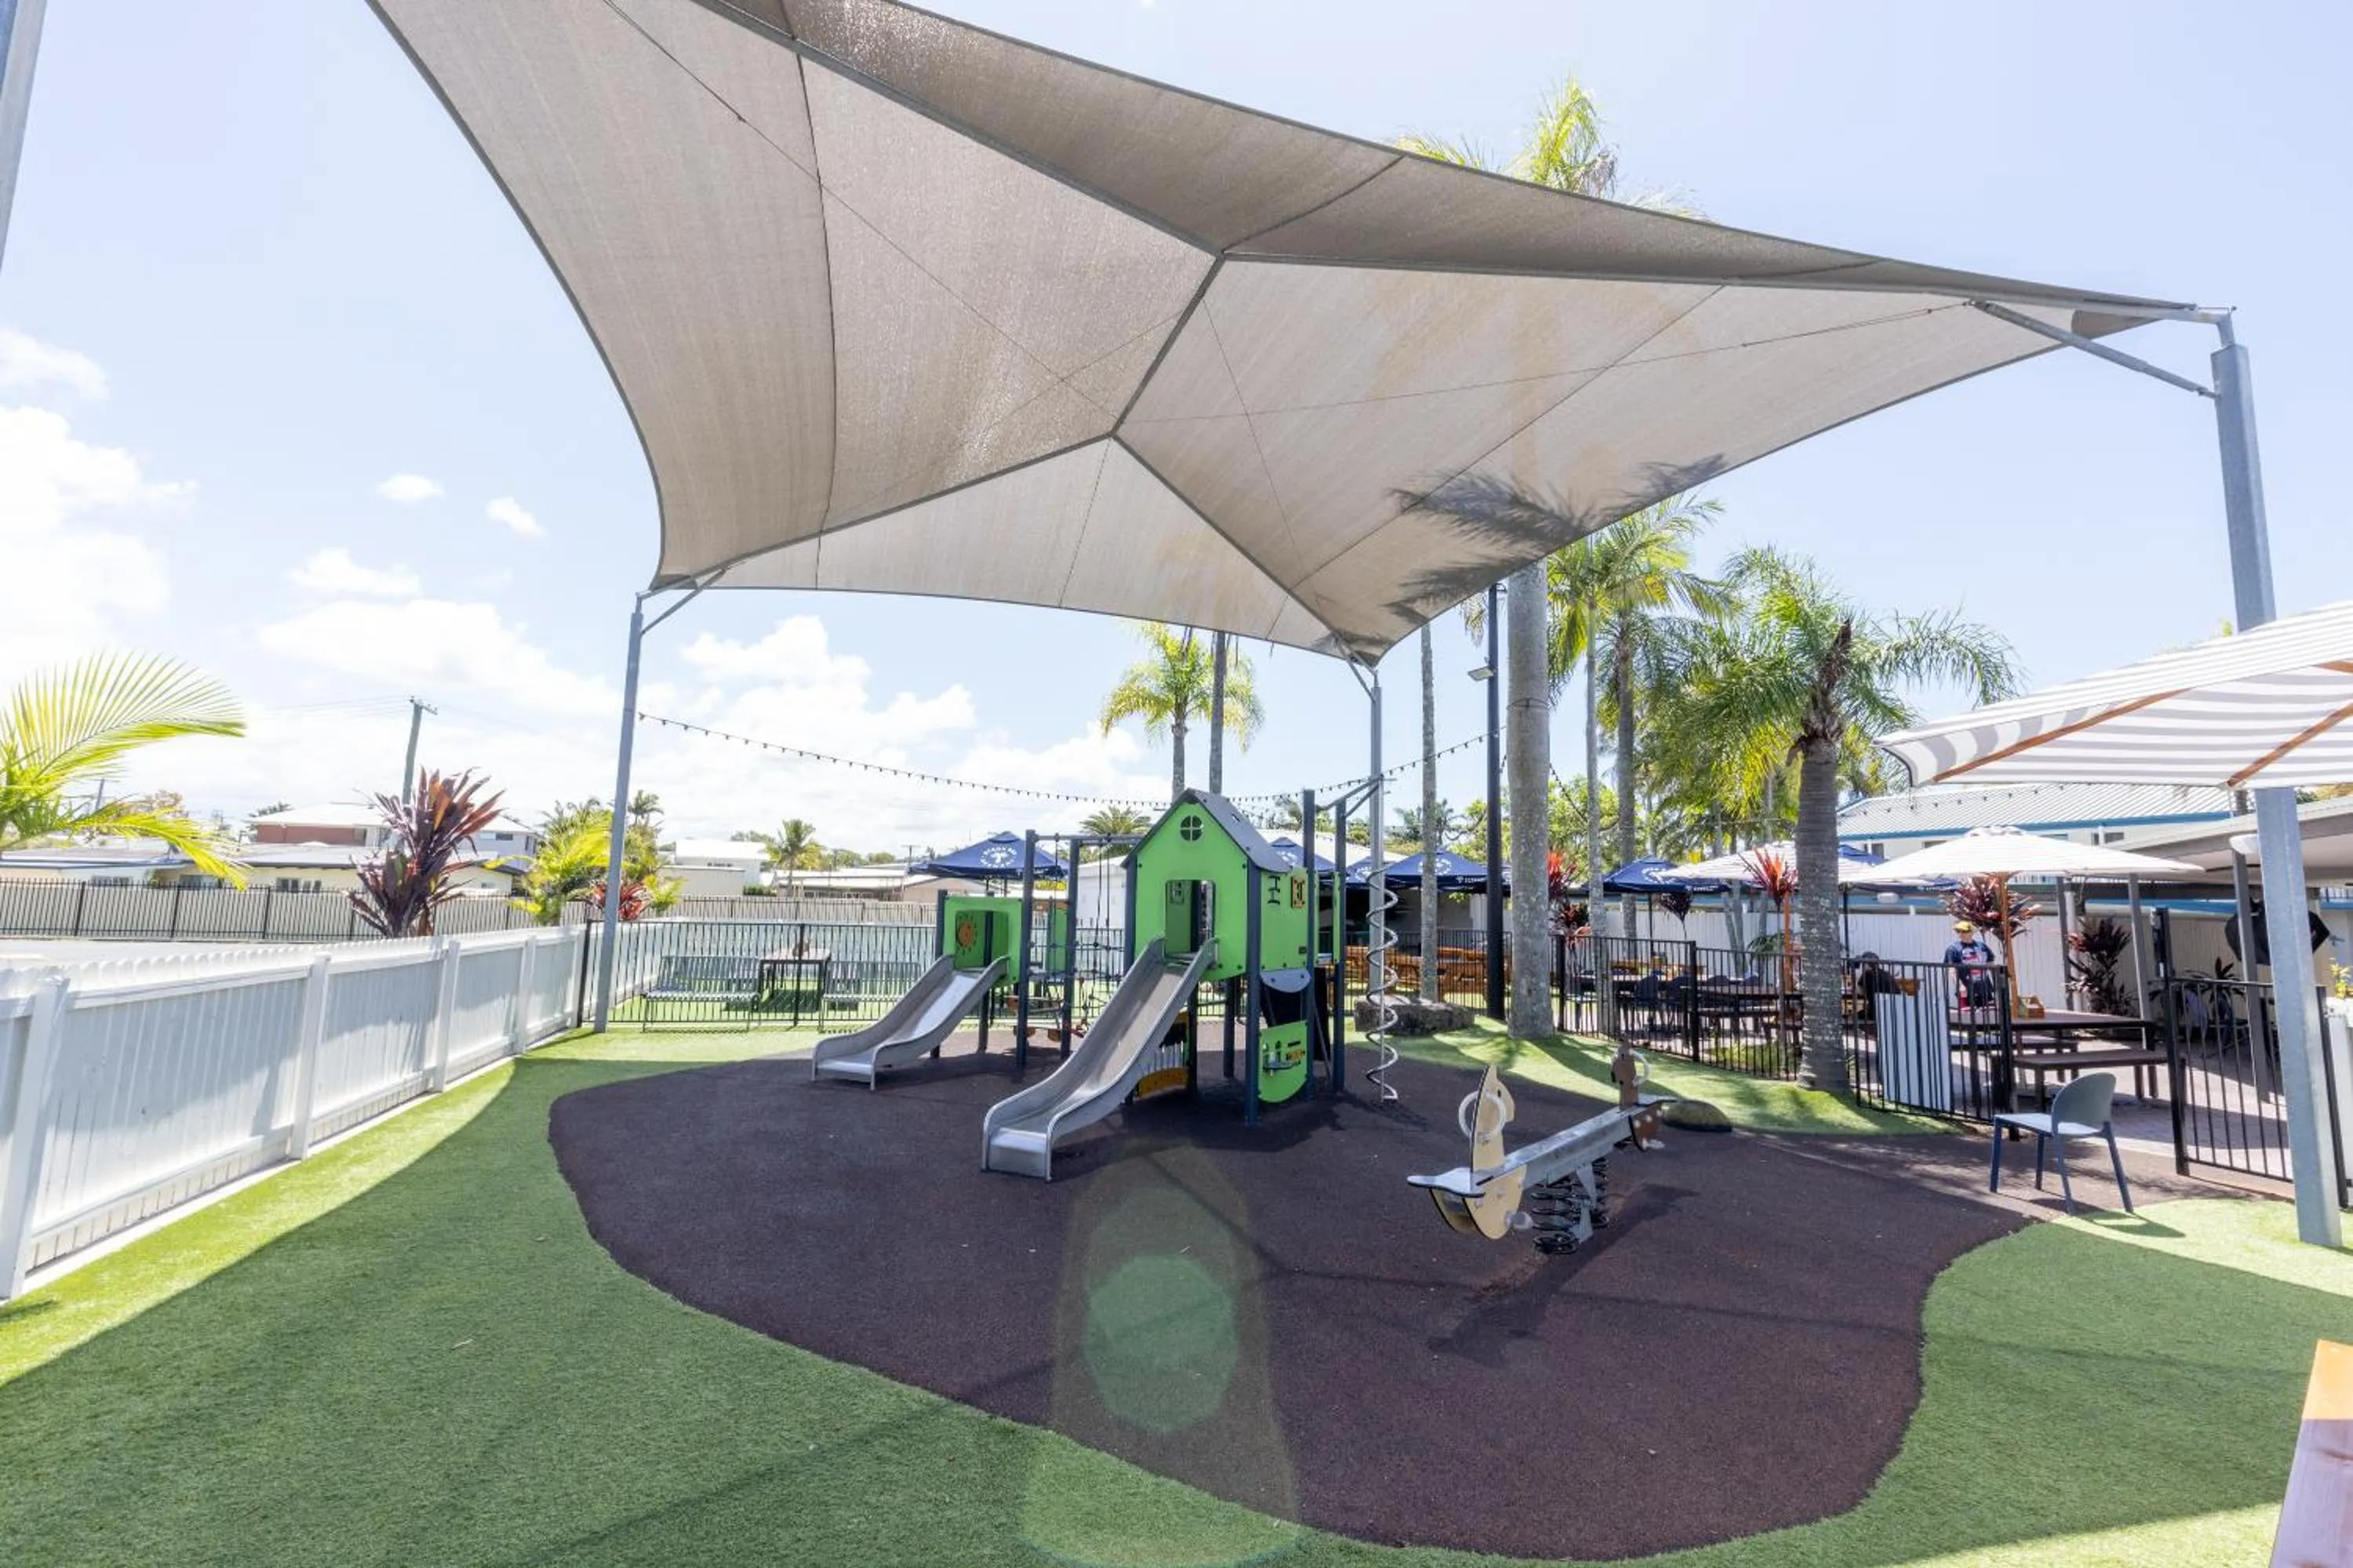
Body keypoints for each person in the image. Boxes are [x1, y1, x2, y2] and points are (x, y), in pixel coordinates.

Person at [1945, 921, 1997, 1009]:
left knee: (1988, 1014)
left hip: (1985, 988)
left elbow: (1991, 964)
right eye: (1958, 931)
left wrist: (1996, 984)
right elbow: (1952, 969)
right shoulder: (1953, 949)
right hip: (1967, 989)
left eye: (1964, 931)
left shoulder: (1982, 946)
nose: (1961, 934)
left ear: (1971, 932)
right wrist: (1959, 985)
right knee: (1968, 1015)